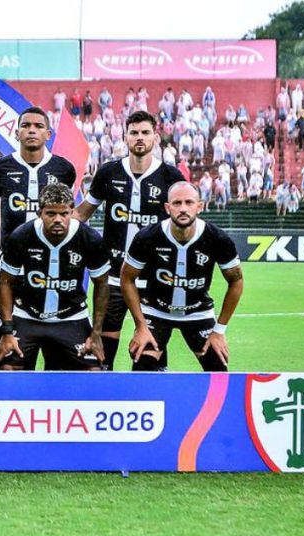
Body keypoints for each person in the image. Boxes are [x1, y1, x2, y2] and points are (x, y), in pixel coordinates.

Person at [74, 110, 185, 370]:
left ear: (156, 137)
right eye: (134, 133)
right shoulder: (108, 172)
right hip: (112, 278)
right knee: (101, 358)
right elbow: (82, 214)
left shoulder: (171, 177)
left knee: (150, 360)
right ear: (125, 137)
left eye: (145, 132)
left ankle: (148, 390)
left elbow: (183, 224)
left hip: (154, 281)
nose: (139, 137)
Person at [0, 106, 77, 369]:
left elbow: (67, 215)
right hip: (10, 270)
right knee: (2, 342)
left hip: (51, 270)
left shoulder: (63, 169)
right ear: (17, 132)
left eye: (38, 126)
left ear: (48, 134)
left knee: (55, 347)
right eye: (25, 126)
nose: (31, 130)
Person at [121, 182, 244, 372]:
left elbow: (236, 281)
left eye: (189, 202)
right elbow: (127, 278)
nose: (183, 209)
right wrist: (141, 326)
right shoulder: (148, 237)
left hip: (198, 312)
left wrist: (219, 330)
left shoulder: (218, 239)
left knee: (218, 368)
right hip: (156, 311)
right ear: (167, 208)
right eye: (177, 203)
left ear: (199, 206)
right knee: (143, 366)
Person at [0, 182, 110, 370]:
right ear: (40, 213)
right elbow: (5, 282)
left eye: (64, 214)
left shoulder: (89, 238)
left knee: (93, 372)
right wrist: (7, 332)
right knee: (7, 369)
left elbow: (102, 284)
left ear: (72, 212)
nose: (58, 219)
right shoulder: (21, 235)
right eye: (51, 214)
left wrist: (96, 334)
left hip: (72, 317)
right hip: (28, 315)